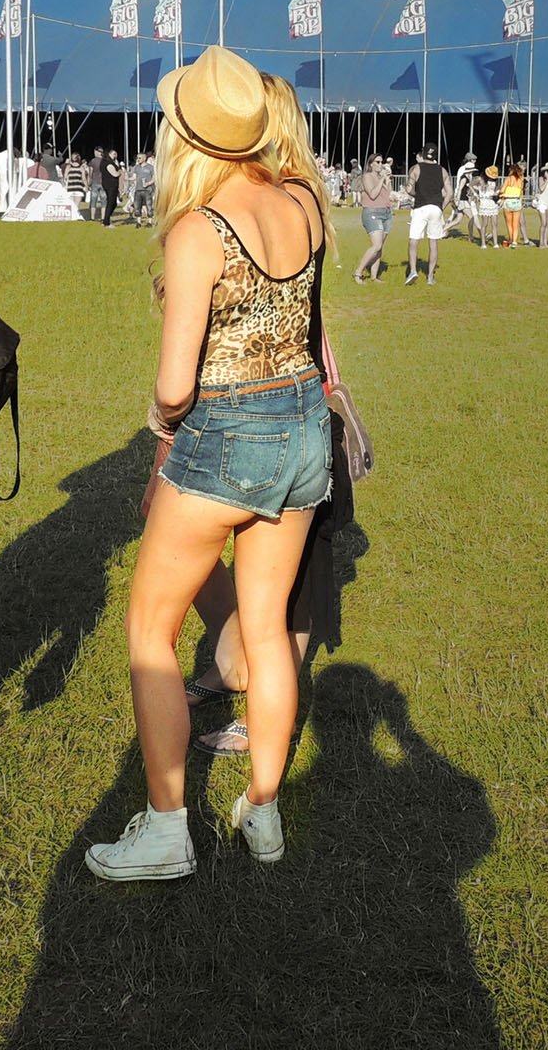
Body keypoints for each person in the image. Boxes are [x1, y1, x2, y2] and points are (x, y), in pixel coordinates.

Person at [85, 46, 328, 880]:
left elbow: (175, 383)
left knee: (150, 630)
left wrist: (159, 422)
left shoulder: (198, 229)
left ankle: (165, 829)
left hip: (227, 433)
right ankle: (262, 813)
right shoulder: (303, 201)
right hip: (303, 427)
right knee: (265, 632)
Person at [185, 71, 349, 756]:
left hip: (276, 401)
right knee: (263, 578)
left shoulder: (287, 197)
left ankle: (256, 701)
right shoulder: (291, 199)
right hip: (293, 401)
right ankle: (238, 670)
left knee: (290, 585)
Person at [404, 144, 450, 285]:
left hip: (420, 207)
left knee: (414, 240)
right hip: (436, 208)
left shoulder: (417, 168)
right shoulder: (442, 171)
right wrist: (441, 207)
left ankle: (413, 271)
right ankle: (430, 276)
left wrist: (417, 195)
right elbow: (450, 193)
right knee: (433, 242)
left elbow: (409, 188)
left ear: (423, 154)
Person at [354, 153, 393, 282]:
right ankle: (358, 272)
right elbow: (372, 194)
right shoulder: (367, 176)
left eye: (381, 162)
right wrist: (381, 180)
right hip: (372, 212)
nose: (380, 165)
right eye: (377, 162)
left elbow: (388, 195)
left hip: (386, 213)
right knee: (376, 245)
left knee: (380, 247)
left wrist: (387, 181)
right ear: (371, 164)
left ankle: (374, 276)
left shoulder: (382, 177)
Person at [498, 163, 526, 247]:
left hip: (508, 201)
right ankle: (514, 242)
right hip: (517, 201)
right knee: (515, 224)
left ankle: (511, 239)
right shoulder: (521, 179)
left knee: (509, 223)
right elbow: (521, 191)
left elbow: (502, 190)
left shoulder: (509, 179)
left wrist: (500, 194)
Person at [533, 162, 548, 247]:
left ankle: (546, 243)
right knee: (543, 223)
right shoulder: (541, 179)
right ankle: (541, 243)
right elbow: (541, 189)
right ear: (545, 171)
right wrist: (546, 180)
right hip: (542, 203)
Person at [130, 150, 156, 226]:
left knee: (149, 206)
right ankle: (139, 222)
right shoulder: (136, 167)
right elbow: (134, 177)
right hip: (138, 190)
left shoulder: (150, 167)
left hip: (147, 190)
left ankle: (149, 222)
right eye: (137, 158)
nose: (138, 159)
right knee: (137, 206)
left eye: (140, 158)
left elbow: (154, 178)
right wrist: (128, 178)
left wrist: (148, 183)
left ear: (144, 158)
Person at [101, 148, 122, 227]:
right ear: (109, 154)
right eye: (114, 154)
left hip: (107, 184)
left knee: (113, 203)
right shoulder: (108, 163)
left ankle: (106, 219)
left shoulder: (104, 162)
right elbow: (115, 174)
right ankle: (106, 222)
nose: (115, 156)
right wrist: (119, 171)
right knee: (111, 203)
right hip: (111, 185)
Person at [86, 146, 107, 221]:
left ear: (97, 152)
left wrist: (89, 183)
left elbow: (90, 173)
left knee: (93, 200)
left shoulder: (93, 161)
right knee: (104, 201)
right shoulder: (105, 161)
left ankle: (92, 217)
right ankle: (103, 217)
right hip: (104, 183)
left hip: (95, 182)